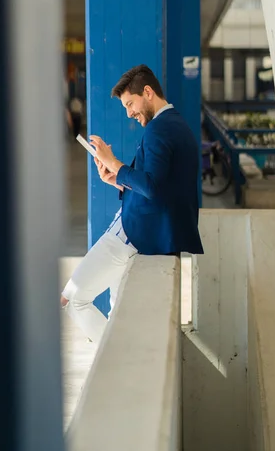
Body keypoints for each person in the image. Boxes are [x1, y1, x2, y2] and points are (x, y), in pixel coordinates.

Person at [60, 64, 203, 345]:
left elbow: (153, 186)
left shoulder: (159, 131)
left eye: (130, 104)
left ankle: (111, 360)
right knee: (117, 312)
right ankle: (115, 362)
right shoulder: (176, 124)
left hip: (132, 232)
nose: (129, 113)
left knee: (72, 299)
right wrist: (117, 180)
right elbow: (161, 186)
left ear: (147, 92)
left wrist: (115, 163)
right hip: (144, 229)